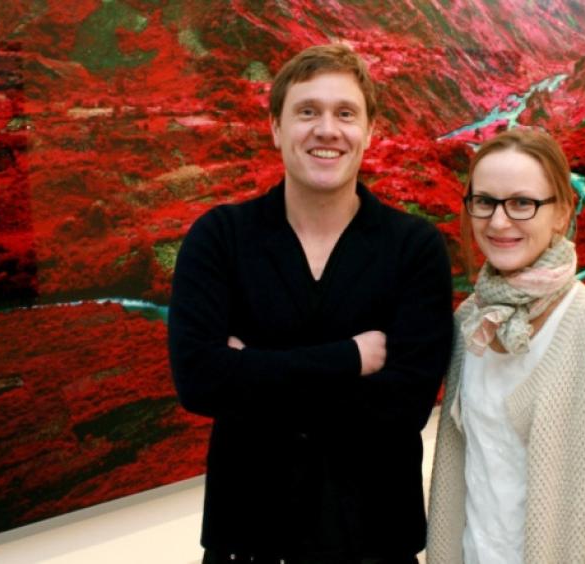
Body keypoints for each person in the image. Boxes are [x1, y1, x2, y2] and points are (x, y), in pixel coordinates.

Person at [168, 43, 454, 564]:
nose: (327, 129)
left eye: (345, 113)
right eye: (307, 112)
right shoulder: (219, 238)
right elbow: (200, 381)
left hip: (375, 545)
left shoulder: (414, 248)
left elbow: (402, 408)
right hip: (248, 545)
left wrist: (250, 370)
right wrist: (349, 358)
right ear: (276, 128)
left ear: (369, 131)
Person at [426, 129, 585, 563]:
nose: (498, 222)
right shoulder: (471, 322)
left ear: (561, 213)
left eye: (522, 203)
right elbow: (460, 478)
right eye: (485, 201)